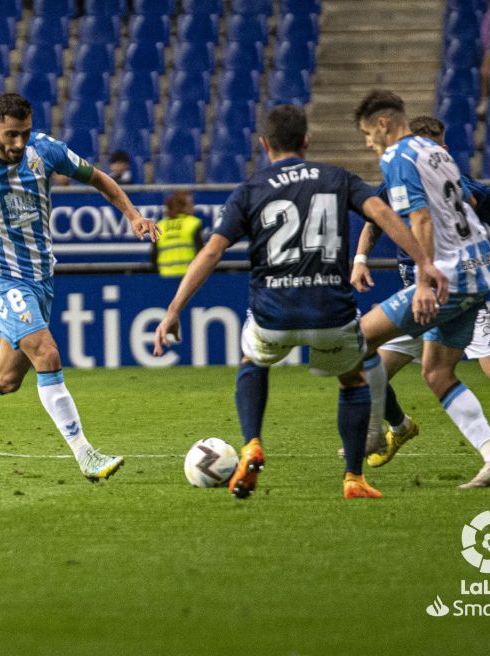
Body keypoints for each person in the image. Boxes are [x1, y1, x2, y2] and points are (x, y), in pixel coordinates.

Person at [153, 104, 448, 500]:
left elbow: (211, 252)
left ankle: (252, 443)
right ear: (307, 140)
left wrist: (174, 309)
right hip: (331, 309)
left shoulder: (251, 189)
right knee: (352, 378)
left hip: (273, 311)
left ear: (264, 145)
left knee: (253, 361)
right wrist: (424, 262)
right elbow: (382, 214)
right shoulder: (337, 178)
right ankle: (354, 478)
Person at [0, 93, 160, 482]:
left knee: (6, 380)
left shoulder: (44, 151)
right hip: (0, 279)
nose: (18, 144)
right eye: (11, 135)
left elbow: (97, 178)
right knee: (47, 353)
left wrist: (133, 215)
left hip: (41, 280)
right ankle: (86, 455)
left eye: (24, 133)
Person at [350, 115, 490, 479]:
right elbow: (373, 221)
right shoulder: (398, 180)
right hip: (419, 301)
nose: (436, 153)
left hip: (455, 295)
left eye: (438, 147)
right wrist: (361, 259)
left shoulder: (465, 187)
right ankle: (399, 428)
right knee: (370, 367)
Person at [151, 190, 204, 277]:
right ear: (182, 207)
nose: (193, 207)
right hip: (189, 277)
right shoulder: (193, 223)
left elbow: (153, 256)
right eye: (190, 204)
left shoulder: (160, 226)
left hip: (164, 276)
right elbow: (201, 253)